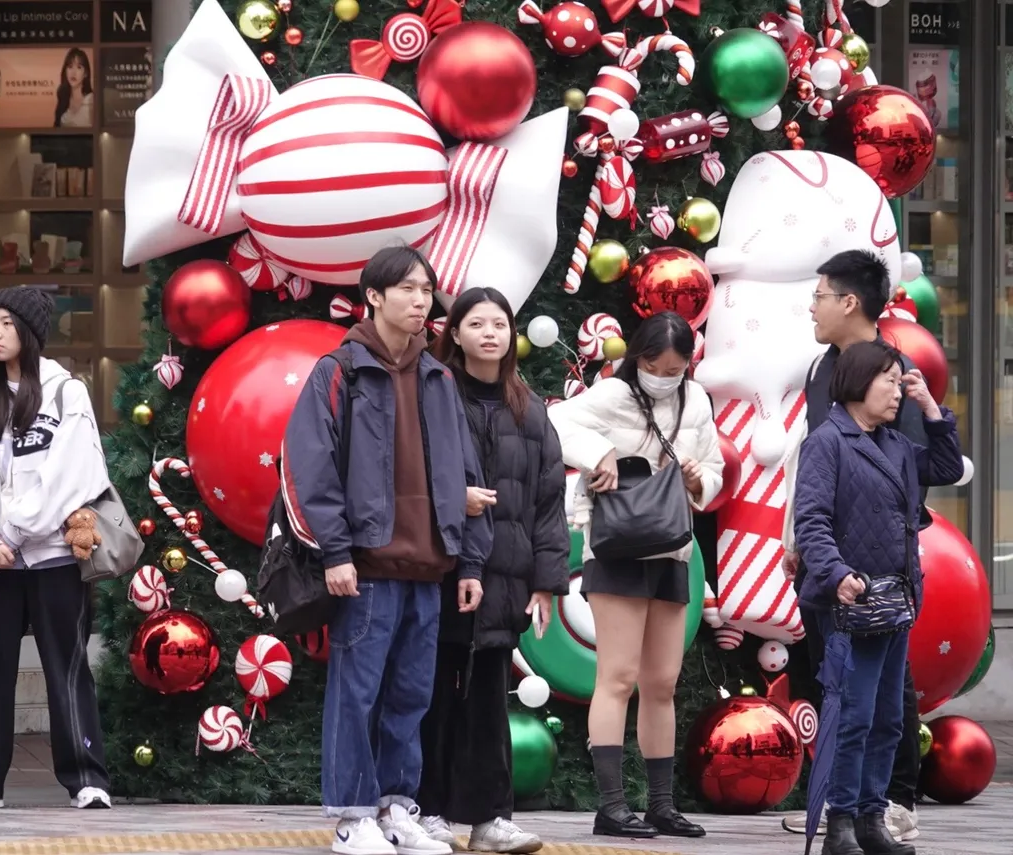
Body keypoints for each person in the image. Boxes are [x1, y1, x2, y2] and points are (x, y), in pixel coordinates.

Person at [281, 246, 494, 855]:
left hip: (428, 567)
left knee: (410, 697)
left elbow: (465, 474)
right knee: (357, 693)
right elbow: (307, 467)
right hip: (367, 567)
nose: (420, 301)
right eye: (406, 289)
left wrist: (470, 560)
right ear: (372, 296)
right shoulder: (339, 371)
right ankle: (352, 816)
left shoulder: (439, 377)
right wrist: (336, 552)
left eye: (426, 290)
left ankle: (397, 806)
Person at [549, 312, 723, 840]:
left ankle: (662, 806)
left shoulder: (696, 401)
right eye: (654, 364)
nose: (664, 376)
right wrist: (597, 453)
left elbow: (713, 469)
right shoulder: (611, 395)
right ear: (638, 358)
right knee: (618, 678)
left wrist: (699, 479)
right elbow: (554, 423)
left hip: (671, 550)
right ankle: (611, 805)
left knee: (662, 683)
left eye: (675, 368)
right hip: (618, 547)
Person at [0, 288, 112, 811]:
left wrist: (15, 528)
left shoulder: (67, 394)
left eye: (8, 323)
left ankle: (87, 777)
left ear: (32, 333)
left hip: (55, 554)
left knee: (67, 666)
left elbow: (73, 475)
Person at [781, 251, 934, 843]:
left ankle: (889, 803)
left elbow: (920, 469)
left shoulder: (893, 370)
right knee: (846, 693)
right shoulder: (826, 369)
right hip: (834, 568)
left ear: (849, 302)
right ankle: (845, 809)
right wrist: (809, 544)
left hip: (882, 572)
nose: (813, 307)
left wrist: (929, 410)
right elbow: (817, 473)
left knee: (887, 700)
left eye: (820, 295)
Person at [792, 340, 963, 855]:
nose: (897, 391)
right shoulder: (828, 441)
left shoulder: (893, 444)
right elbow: (812, 520)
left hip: (896, 601)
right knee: (854, 715)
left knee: (889, 717)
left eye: (901, 380)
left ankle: (871, 818)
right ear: (858, 382)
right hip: (851, 603)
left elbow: (948, 468)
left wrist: (931, 408)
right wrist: (837, 572)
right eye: (889, 380)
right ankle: (840, 821)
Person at [416, 288, 570, 854]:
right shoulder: (433, 394)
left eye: (499, 324)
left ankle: (490, 821)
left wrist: (548, 580)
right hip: (436, 572)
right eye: (475, 323)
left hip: (505, 577)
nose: (488, 333)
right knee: (430, 695)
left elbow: (549, 503)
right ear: (453, 333)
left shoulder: (529, 410)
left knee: (487, 701)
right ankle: (425, 809)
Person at [54, 48, 94, 128]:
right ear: (65, 71)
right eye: (70, 66)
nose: (73, 72)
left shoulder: (92, 100)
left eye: (79, 67)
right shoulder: (63, 98)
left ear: (85, 73)